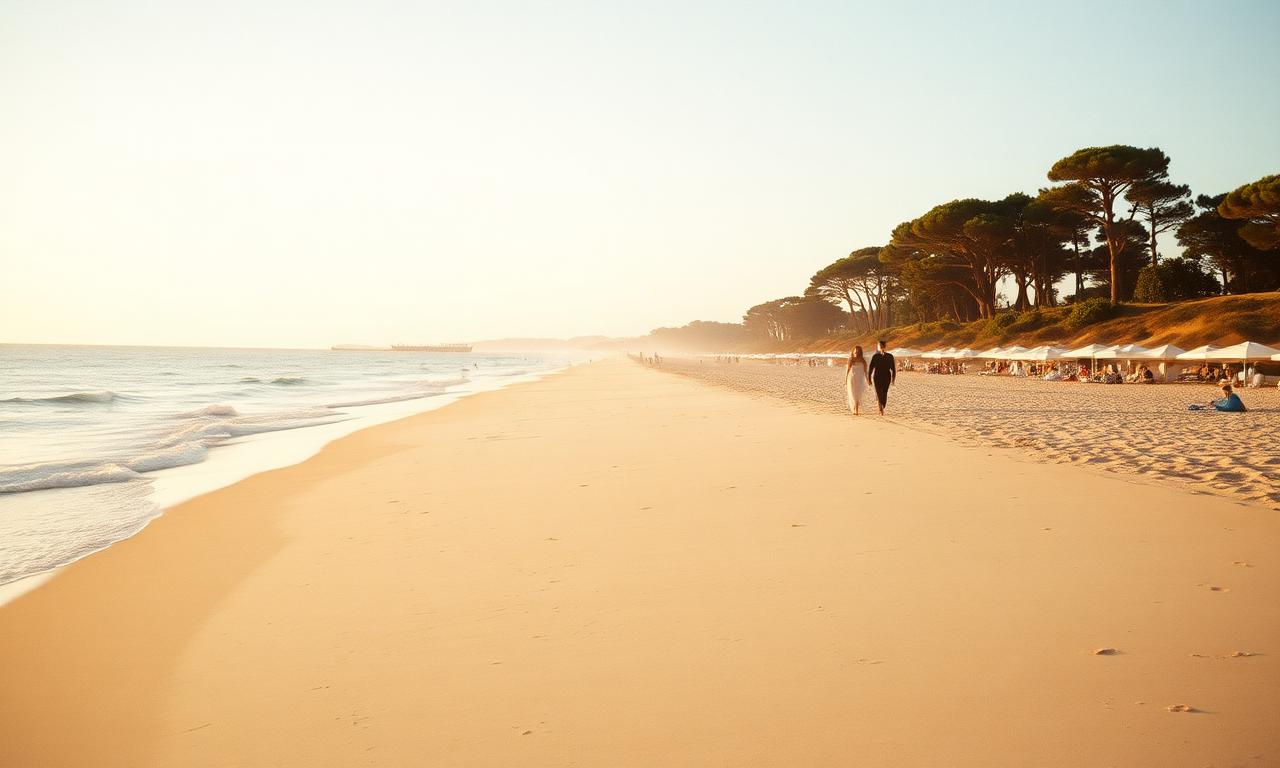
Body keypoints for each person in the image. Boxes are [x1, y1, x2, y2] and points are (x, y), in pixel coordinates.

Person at [866, 340, 896, 415]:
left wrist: (893, 379)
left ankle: (882, 405)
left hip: (886, 377)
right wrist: (869, 378)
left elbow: (893, 368)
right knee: (879, 392)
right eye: (880, 346)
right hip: (877, 377)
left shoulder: (890, 356)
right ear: (878, 347)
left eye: (882, 345)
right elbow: (871, 368)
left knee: (884, 393)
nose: (881, 347)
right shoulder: (875, 356)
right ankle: (880, 407)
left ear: (885, 346)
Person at [845, 344, 869, 416]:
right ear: (853, 351)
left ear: (860, 352)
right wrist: (846, 379)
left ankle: (856, 409)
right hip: (852, 379)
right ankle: (855, 409)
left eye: (858, 350)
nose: (856, 351)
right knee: (853, 394)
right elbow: (848, 370)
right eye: (855, 350)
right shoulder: (851, 359)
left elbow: (865, 371)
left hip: (860, 380)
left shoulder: (863, 360)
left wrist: (867, 379)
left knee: (858, 395)